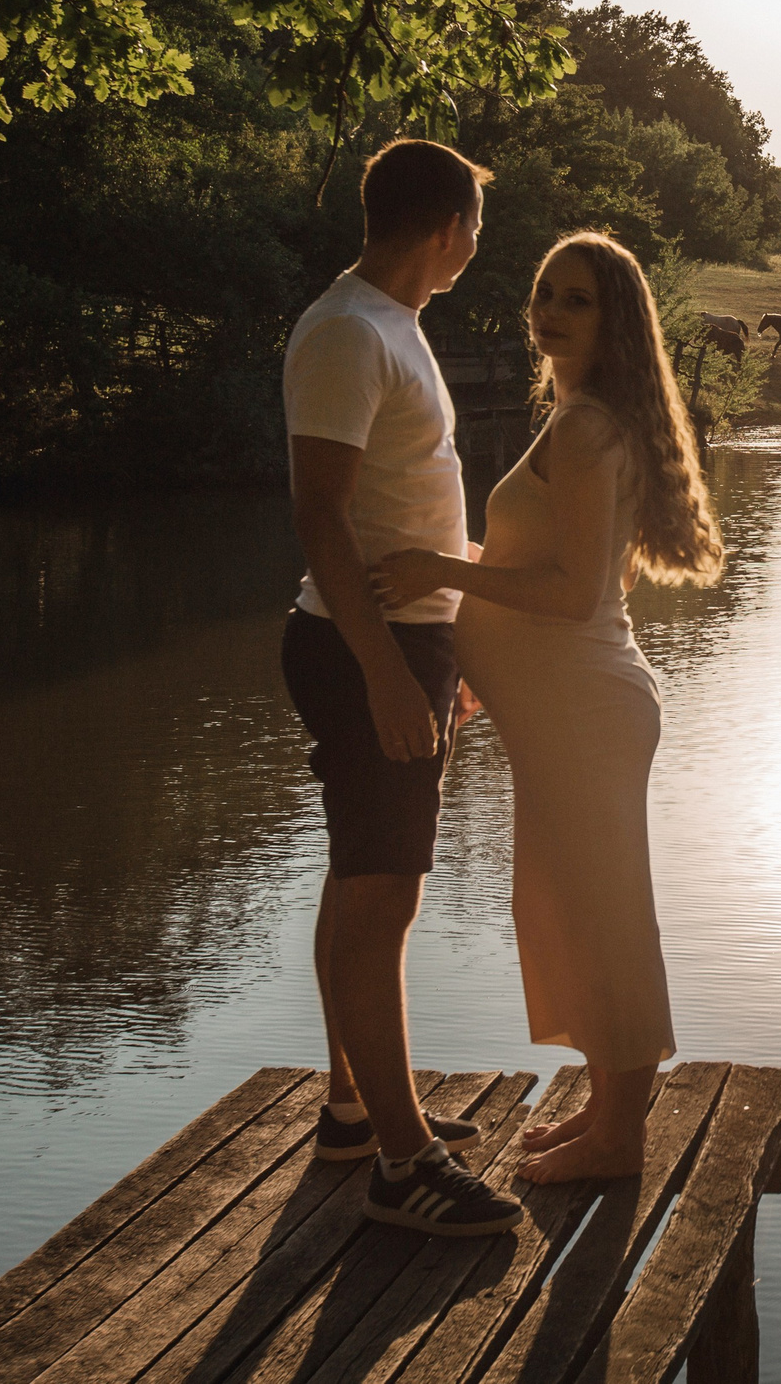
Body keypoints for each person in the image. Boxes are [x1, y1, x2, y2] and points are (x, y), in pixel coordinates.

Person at [375, 232, 725, 1183]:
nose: (551, 313)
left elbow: (572, 592)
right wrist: (490, 661)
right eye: (544, 294)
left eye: (576, 299)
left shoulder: (583, 429)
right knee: (576, 907)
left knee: (603, 914)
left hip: (585, 709)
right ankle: (609, 1114)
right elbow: (553, 579)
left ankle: (619, 1140)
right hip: (567, 706)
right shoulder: (577, 417)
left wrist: (438, 572)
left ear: (614, 318)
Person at [280, 137, 523, 1237]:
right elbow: (321, 513)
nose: (478, 242)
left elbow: (411, 507)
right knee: (384, 899)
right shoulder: (344, 330)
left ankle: (347, 1108)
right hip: (362, 646)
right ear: (448, 228)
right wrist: (385, 673)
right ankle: (398, 1162)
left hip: (408, 640)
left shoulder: (392, 325)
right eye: (475, 223)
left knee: (364, 884)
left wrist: (451, 650)